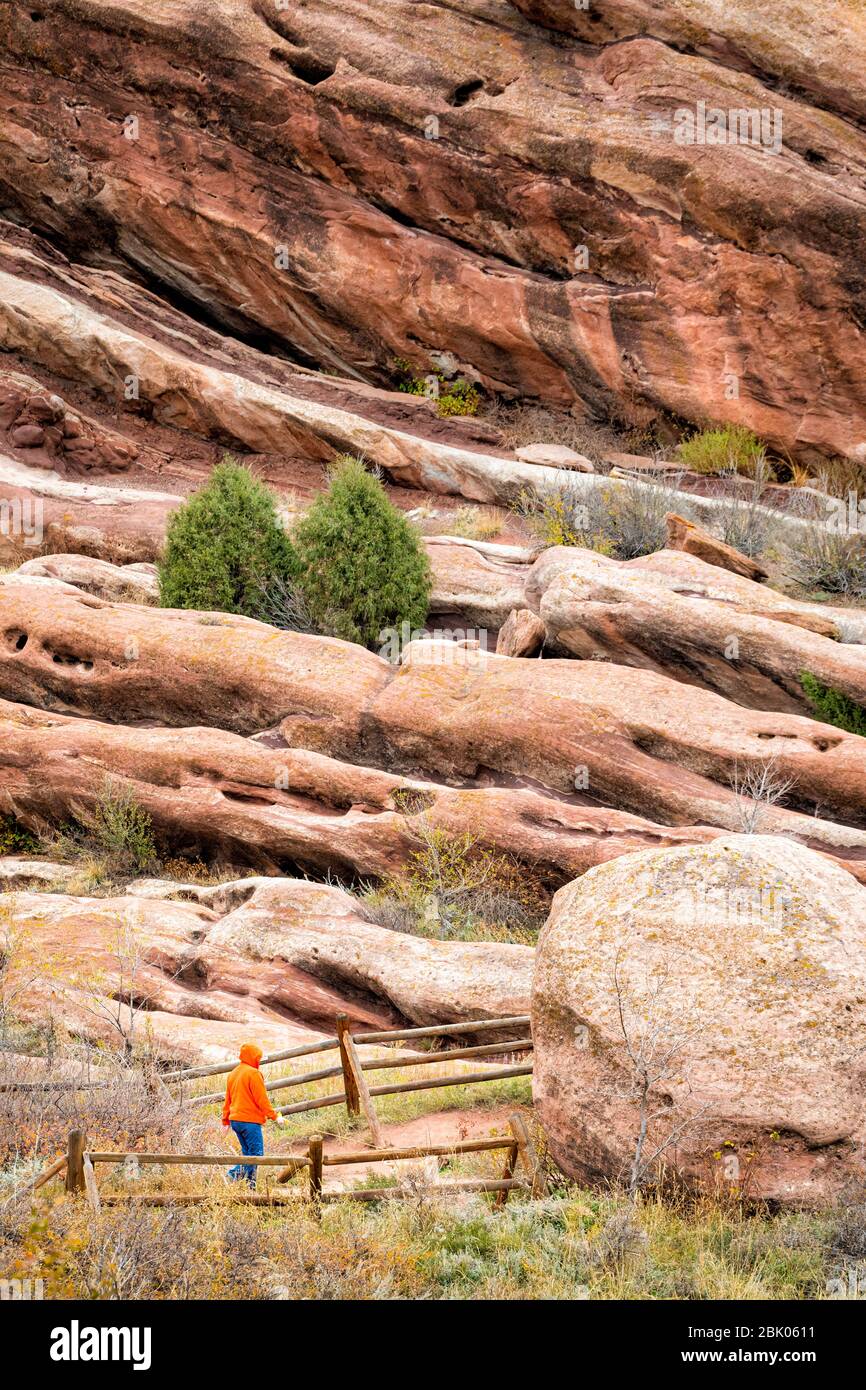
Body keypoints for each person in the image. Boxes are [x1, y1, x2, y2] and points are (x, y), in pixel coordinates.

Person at [222, 1042, 284, 1187]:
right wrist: (275, 1116)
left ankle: (251, 1186)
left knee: (248, 1155)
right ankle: (231, 1176)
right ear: (252, 1057)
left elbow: (228, 1100)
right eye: (258, 1058)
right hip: (249, 1122)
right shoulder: (254, 1074)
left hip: (235, 1121)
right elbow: (262, 1100)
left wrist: (225, 1121)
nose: (259, 1061)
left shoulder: (233, 1073)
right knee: (256, 1155)